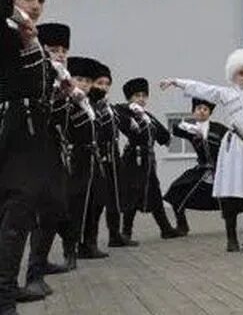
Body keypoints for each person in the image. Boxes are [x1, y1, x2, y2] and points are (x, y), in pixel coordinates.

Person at [160, 48, 243, 252]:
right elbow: (202, 89)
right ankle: (231, 238)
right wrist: (177, 82)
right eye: (241, 73)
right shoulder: (225, 93)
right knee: (231, 191)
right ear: (234, 74)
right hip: (234, 147)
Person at [0, 0, 64, 315]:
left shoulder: (29, 34)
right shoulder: (7, 28)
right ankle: (4, 303)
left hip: (32, 133)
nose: (36, 4)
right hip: (12, 129)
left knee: (20, 213)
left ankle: (8, 291)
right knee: (15, 212)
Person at [23, 23, 76, 304]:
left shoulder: (60, 77)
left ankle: (39, 265)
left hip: (54, 149)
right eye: (54, 50)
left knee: (55, 207)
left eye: (64, 50)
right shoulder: (35, 71)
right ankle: (32, 276)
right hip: (32, 147)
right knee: (32, 210)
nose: (60, 55)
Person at [116, 78, 179, 243]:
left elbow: (164, 135)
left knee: (155, 194)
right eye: (137, 95)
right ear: (130, 98)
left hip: (148, 160)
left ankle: (165, 229)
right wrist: (130, 109)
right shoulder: (125, 112)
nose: (141, 99)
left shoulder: (147, 116)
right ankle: (126, 232)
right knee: (132, 193)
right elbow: (118, 115)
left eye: (144, 95)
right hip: (133, 158)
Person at [65, 57, 109, 260]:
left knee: (96, 202)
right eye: (79, 79)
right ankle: (71, 247)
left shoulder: (89, 104)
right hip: (76, 158)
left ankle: (89, 242)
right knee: (76, 204)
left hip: (93, 158)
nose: (84, 84)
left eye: (88, 81)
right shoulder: (67, 103)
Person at [163, 98, 228, 235]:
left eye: (205, 109)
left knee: (238, 198)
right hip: (202, 169)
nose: (202, 111)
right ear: (194, 112)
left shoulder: (219, 128)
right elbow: (175, 129)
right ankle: (182, 226)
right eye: (199, 109)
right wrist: (186, 126)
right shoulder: (192, 129)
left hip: (221, 171)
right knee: (176, 189)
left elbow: (231, 141)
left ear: (209, 113)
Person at [87, 62, 133, 248]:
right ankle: (90, 241)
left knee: (115, 198)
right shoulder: (89, 105)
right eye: (100, 83)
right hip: (99, 158)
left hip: (113, 158)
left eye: (107, 83)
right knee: (97, 202)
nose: (104, 87)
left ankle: (115, 234)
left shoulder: (108, 106)